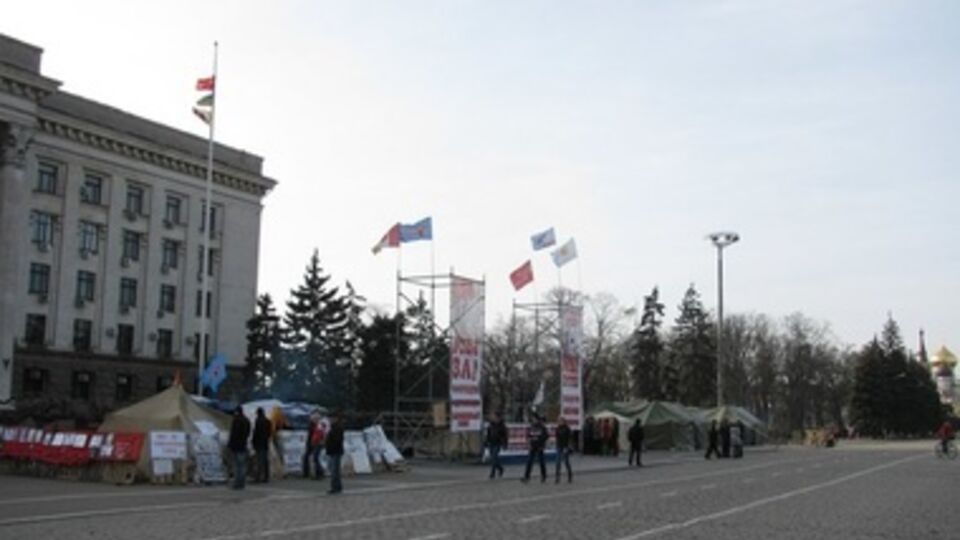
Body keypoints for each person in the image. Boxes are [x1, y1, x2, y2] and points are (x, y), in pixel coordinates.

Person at [227, 406, 251, 489]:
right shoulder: (246, 420)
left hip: (236, 446)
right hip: (243, 444)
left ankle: (237, 483)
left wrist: (230, 444)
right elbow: (248, 432)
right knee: (242, 465)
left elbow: (234, 434)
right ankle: (242, 482)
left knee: (237, 465)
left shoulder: (236, 421)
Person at [521, 414, 548, 483]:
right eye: (532, 419)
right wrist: (529, 443)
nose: (533, 420)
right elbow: (528, 436)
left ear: (537, 419)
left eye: (534, 419)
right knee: (529, 462)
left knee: (541, 462)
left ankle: (543, 475)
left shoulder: (542, 427)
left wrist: (541, 443)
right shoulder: (531, 427)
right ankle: (526, 477)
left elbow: (546, 436)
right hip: (532, 446)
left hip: (539, 447)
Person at [251, 407, 272, 482]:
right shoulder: (268, 421)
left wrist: (253, 442)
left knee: (259, 460)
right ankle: (266, 476)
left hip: (259, 443)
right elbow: (269, 433)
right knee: (265, 460)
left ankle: (258, 477)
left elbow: (256, 433)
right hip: (265, 443)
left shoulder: (258, 421)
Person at [325, 411, 345, 494]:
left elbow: (337, 440)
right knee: (333, 469)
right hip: (332, 451)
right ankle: (337, 486)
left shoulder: (338, 428)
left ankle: (335, 487)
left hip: (335, 451)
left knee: (334, 470)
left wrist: (330, 444)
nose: (330, 420)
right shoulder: (332, 427)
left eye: (331, 418)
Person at [303, 411, 325, 479]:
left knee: (315, 458)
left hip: (317, 443)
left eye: (315, 418)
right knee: (310, 457)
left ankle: (319, 472)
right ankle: (311, 473)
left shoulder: (319, 426)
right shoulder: (312, 425)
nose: (314, 419)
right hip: (313, 442)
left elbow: (320, 435)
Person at [486, 412, 508, 479]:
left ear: (498, 418)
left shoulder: (502, 426)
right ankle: (500, 468)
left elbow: (505, 436)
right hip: (491, 443)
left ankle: (492, 473)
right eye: (493, 417)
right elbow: (488, 434)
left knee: (494, 457)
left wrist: (505, 444)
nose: (494, 418)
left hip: (497, 443)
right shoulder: (491, 425)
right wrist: (487, 441)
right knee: (493, 458)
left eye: (495, 417)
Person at [554, 416, 573, 483]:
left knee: (566, 462)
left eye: (561, 421)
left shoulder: (567, 429)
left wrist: (567, 447)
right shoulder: (557, 428)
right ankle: (557, 477)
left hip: (565, 446)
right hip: (559, 446)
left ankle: (570, 476)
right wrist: (557, 445)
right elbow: (557, 438)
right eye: (559, 421)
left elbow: (569, 438)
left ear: (564, 421)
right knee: (557, 462)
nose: (560, 422)